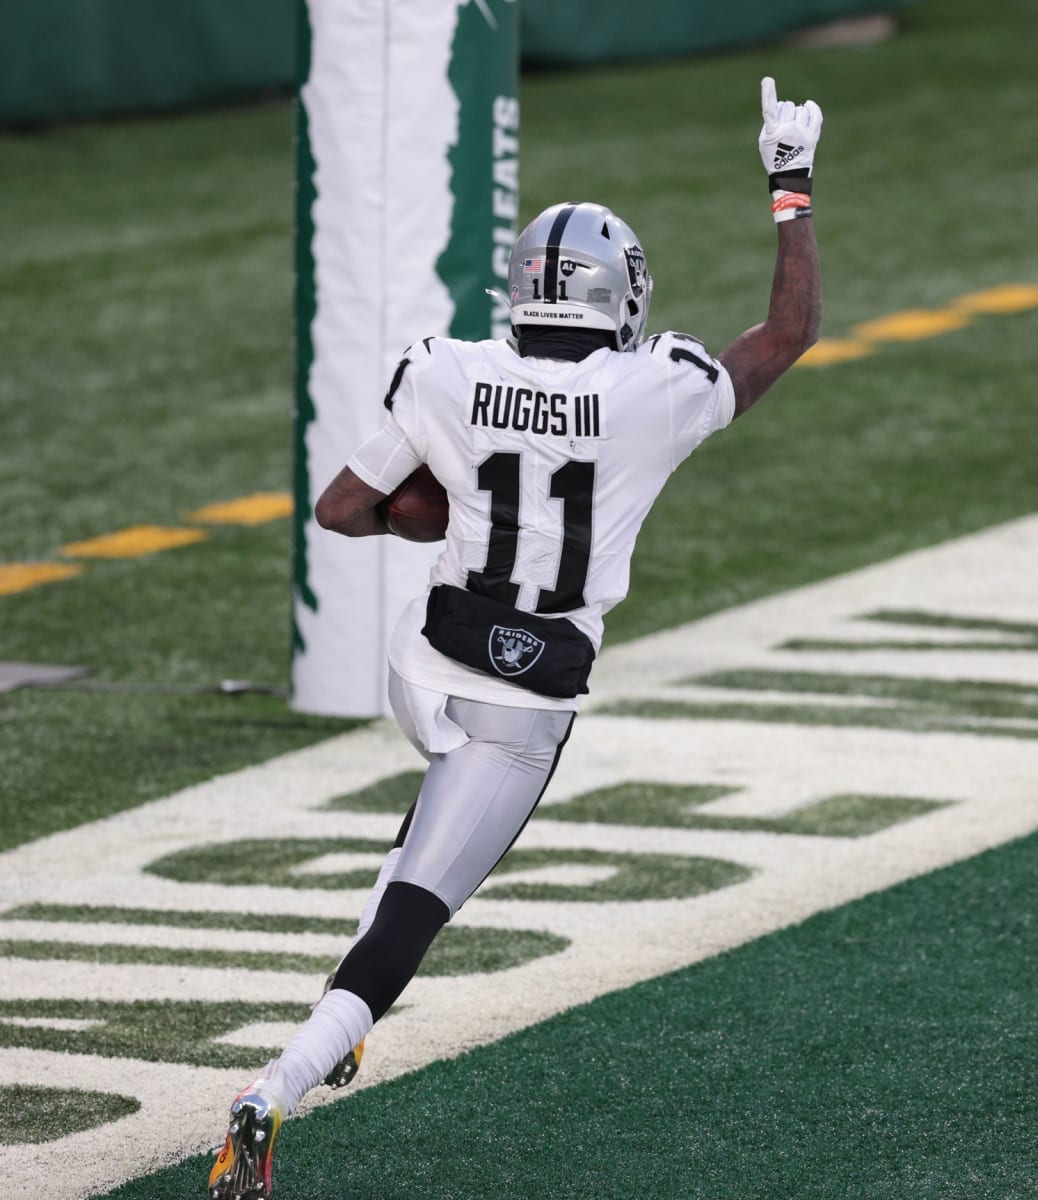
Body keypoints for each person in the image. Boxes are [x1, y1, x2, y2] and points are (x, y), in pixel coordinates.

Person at [207, 76, 822, 1200]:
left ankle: (336, 1031)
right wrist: (791, 184)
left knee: (428, 814)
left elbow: (345, 511)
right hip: (523, 701)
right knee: (411, 920)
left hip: (423, 657)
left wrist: (448, 511)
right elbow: (788, 333)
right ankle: (274, 1087)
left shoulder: (448, 367)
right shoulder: (655, 389)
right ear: (619, 297)